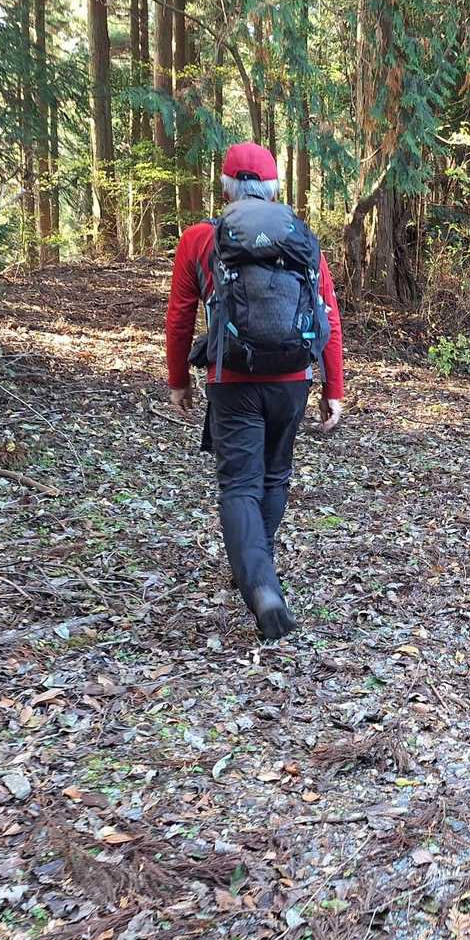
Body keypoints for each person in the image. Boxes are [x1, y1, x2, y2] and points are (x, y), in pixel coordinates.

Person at [164, 142, 344, 640]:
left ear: (225, 188)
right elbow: (328, 315)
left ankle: (259, 580)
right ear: (273, 190)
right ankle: (256, 566)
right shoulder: (300, 237)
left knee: (239, 485)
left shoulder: (200, 238)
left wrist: (178, 379)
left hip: (232, 381)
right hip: (292, 380)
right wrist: (334, 387)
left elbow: (180, 316)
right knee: (275, 474)